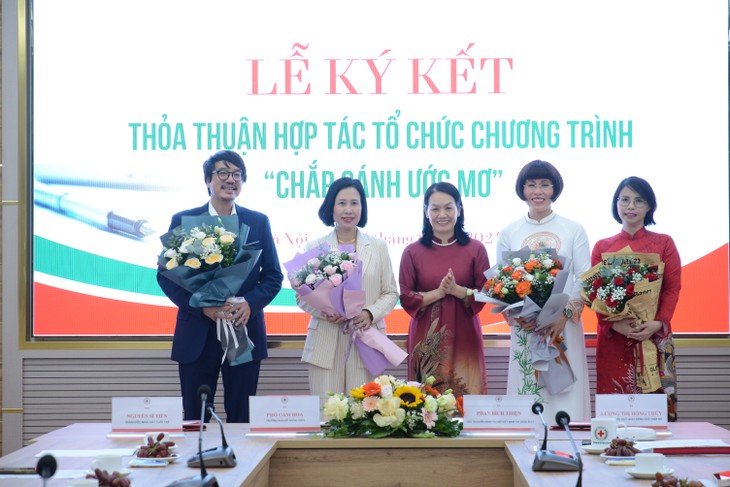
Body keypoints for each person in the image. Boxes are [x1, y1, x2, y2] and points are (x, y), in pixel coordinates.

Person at [157, 150, 283, 423]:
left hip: (243, 331)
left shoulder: (257, 222)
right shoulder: (184, 220)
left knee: (242, 416)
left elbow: (273, 276)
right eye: (223, 173)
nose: (230, 179)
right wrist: (202, 308)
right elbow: (166, 276)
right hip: (197, 334)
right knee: (196, 417)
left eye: (237, 174)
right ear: (207, 180)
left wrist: (249, 303)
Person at [496, 159, 590, 421]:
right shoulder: (509, 232)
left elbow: (584, 277)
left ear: (554, 188)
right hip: (526, 327)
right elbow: (502, 282)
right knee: (528, 391)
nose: (538, 191)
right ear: (522, 189)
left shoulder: (573, 229)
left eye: (545, 185)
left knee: (565, 395)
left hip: (563, 328)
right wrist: (517, 314)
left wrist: (563, 315)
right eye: (531, 185)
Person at [298, 177, 398, 401]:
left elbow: (390, 292)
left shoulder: (378, 247)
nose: (348, 210)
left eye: (355, 203)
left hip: (367, 337)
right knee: (327, 412)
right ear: (331, 207)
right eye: (342, 203)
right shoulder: (315, 247)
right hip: (326, 340)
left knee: (365, 411)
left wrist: (369, 313)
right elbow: (301, 296)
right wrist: (326, 311)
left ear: (362, 207)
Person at [592, 176, 681, 421]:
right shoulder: (602, 247)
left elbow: (672, 289)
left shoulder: (664, 243)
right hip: (615, 339)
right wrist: (614, 325)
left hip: (654, 335)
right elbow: (595, 293)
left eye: (638, 201)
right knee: (615, 412)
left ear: (649, 206)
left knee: (657, 415)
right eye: (624, 200)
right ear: (616, 204)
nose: (630, 206)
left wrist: (658, 322)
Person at [399, 182, 489, 396]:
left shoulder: (476, 249)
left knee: (466, 394)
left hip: (465, 333)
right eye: (435, 208)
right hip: (427, 337)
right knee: (427, 401)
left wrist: (458, 290)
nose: (442, 214)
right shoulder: (412, 252)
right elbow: (405, 296)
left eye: (448, 207)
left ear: (459, 209)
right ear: (425, 212)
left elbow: (487, 293)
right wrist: (438, 293)